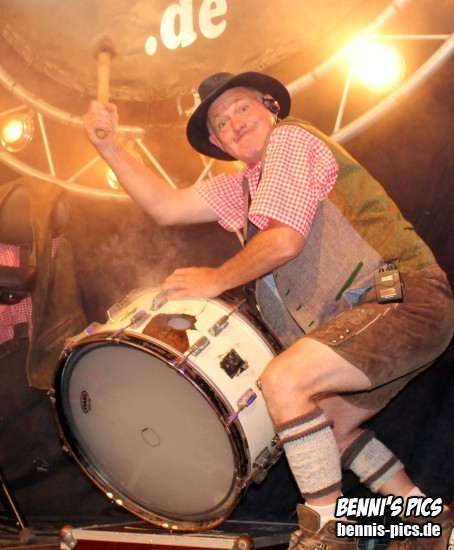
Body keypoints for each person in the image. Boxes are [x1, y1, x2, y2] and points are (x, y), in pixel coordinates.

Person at [83, 71, 454, 549]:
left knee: (283, 380)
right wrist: (109, 147)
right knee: (325, 428)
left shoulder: (290, 140)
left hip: (404, 297)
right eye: (221, 122)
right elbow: (166, 207)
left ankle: (325, 534)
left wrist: (216, 278)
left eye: (242, 107)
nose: (234, 122)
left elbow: (284, 240)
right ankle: (428, 526)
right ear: (218, 143)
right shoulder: (241, 188)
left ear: (270, 108)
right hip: (370, 320)